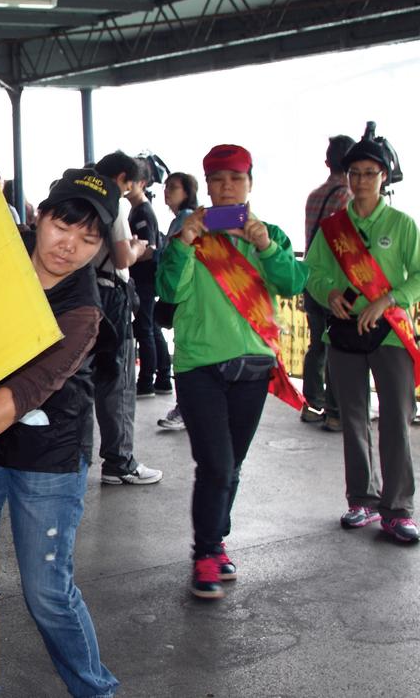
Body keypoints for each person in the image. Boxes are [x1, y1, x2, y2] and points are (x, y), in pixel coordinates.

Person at [0, 168, 119, 698]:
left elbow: (21, 393)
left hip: (47, 453)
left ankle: (96, 690)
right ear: (39, 216)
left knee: (47, 593)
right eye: (62, 226)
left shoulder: (84, 310)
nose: (69, 247)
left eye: (89, 240)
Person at [157, 145, 309, 598]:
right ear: (207, 185)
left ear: (249, 184)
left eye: (235, 180)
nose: (226, 188)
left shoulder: (271, 234)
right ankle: (205, 552)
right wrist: (183, 242)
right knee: (216, 464)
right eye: (218, 180)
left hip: (253, 363)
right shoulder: (189, 234)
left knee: (232, 465)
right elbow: (168, 290)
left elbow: (293, 284)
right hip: (198, 365)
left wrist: (264, 246)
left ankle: (216, 539)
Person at [305, 131, 419, 543]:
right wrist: (328, 293)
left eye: (370, 173)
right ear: (348, 176)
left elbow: (419, 275)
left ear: (384, 177)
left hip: (390, 333)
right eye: (355, 173)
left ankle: (398, 509)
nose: (362, 181)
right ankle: (362, 501)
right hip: (345, 332)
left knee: (395, 420)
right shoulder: (334, 226)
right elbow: (311, 273)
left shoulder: (401, 224)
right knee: (352, 419)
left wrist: (389, 299)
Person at [90, 151, 162, 485]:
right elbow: (121, 256)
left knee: (86, 376)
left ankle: (94, 457)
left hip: (81, 295)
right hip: (110, 296)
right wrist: (136, 249)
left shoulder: (81, 197)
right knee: (117, 380)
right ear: (123, 178)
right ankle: (120, 461)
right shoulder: (113, 201)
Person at [301, 135, 356, 433]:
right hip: (336, 285)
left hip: (312, 278)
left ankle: (312, 405)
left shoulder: (315, 195)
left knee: (316, 344)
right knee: (337, 344)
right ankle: (335, 412)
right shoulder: (347, 198)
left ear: (327, 162)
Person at [156, 172, 200, 431]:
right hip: (184, 295)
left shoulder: (185, 219)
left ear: (187, 192)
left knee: (185, 354)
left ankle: (185, 409)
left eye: (173, 188)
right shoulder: (180, 219)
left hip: (183, 295)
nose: (167, 192)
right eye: (166, 187)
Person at [127, 170, 172, 397]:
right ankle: (163, 377)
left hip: (144, 278)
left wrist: (128, 251)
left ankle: (146, 382)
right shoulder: (138, 210)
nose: (126, 186)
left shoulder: (143, 211)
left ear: (142, 183)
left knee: (145, 330)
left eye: (130, 181)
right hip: (143, 278)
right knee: (151, 328)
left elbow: (149, 249)